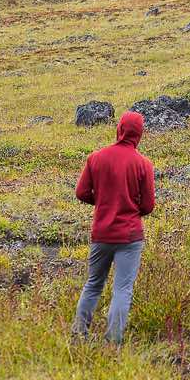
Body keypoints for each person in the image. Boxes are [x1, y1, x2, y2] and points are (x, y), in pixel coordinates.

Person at [71, 111, 155, 344]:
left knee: (93, 284)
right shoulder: (143, 164)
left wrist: (103, 203)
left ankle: (78, 335)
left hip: (101, 234)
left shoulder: (96, 158)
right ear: (139, 134)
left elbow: (81, 193)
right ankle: (113, 342)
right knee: (122, 289)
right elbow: (148, 206)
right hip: (130, 237)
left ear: (119, 129)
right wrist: (129, 207)